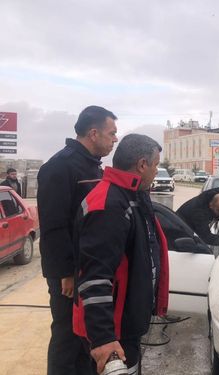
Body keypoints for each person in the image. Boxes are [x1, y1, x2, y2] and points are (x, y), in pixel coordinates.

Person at [73, 134, 169, 374]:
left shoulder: (133, 195)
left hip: (126, 323)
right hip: (112, 329)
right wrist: (104, 338)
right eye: (156, 164)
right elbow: (95, 277)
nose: (157, 171)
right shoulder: (109, 204)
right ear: (142, 165)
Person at [37, 105, 118, 375]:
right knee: (67, 337)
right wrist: (64, 273)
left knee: (85, 335)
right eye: (111, 133)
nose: (114, 139)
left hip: (89, 266)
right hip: (69, 273)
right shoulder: (60, 167)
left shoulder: (93, 166)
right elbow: (53, 227)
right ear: (94, 133)